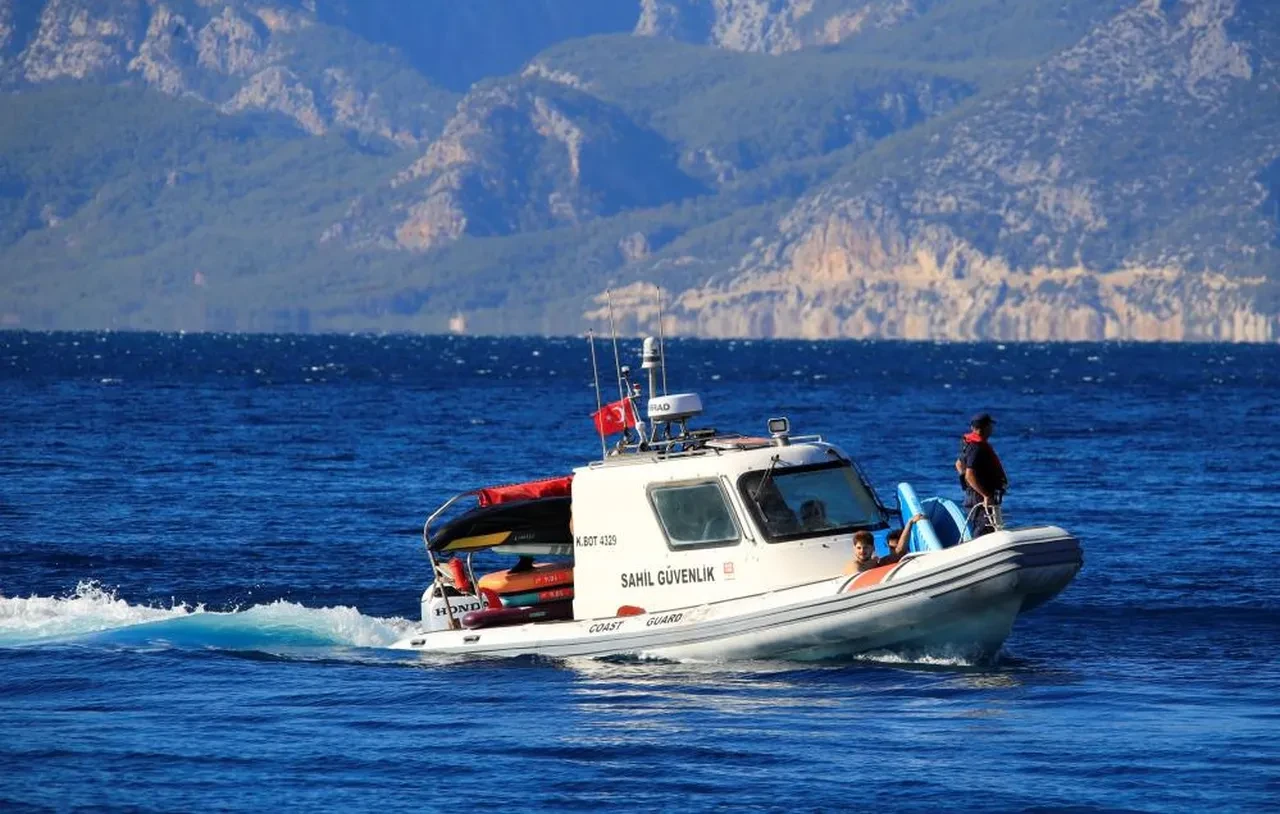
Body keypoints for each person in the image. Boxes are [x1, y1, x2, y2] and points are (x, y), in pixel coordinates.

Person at [955, 412, 1008, 538]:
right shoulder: (977, 448)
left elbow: (958, 464)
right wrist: (984, 494)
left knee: (988, 527)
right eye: (990, 426)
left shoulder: (969, 444)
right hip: (979, 497)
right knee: (983, 529)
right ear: (985, 427)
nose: (992, 429)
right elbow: (969, 474)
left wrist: (967, 487)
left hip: (974, 495)